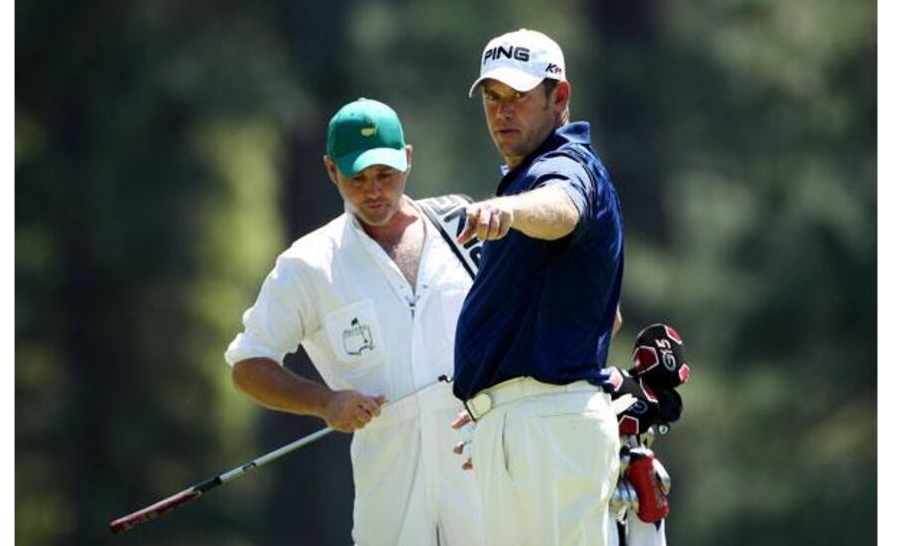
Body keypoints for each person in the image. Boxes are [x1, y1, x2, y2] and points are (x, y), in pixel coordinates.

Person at [224, 98, 483, 545]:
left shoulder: (465, 228)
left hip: (480, 473)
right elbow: (248, 365)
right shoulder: (308, 264)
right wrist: (324, 402)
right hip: (388, 488)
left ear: (408, 159)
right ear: (330, 170)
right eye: (357, 178)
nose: (373, 191)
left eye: (385, 175)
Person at [451, 28, 627, 545]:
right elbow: (606, 316)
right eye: (492, 97)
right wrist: (500, 398)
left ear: (560, 97)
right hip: (533, 423)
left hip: (547, 426)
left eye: (519, 98)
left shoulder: (562, 169)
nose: (502, 112)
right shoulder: (527, 175)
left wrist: (508, 210)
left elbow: (561, 210)